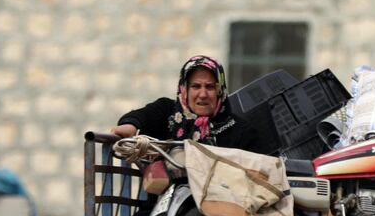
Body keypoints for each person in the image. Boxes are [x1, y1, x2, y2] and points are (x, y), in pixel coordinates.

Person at [110, 55, 262, 151]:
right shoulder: (167, 112)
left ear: (220, 91)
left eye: (209, 87)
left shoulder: (241, 131)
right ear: (184, 90)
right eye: (196, 86)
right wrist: (130, 126)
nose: (203, 94)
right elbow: (142, 117)